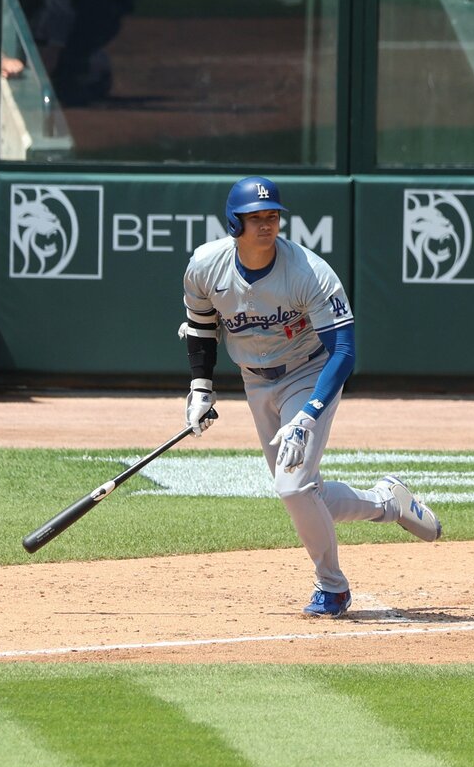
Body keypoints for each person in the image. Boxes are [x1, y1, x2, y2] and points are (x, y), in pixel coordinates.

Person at [179, 178, 441, 619]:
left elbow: (344, 350)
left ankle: (332, 588)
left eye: (273, 217)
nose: (267, 226)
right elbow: (202, 326)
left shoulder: (308, 272)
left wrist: (308, 415)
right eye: (256, 218)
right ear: (233, 223)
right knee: (305, 491)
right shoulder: (205, 267)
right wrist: (201, 387)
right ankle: (387, 502)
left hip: (310, 373)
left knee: (290, 484)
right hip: (254, 380)